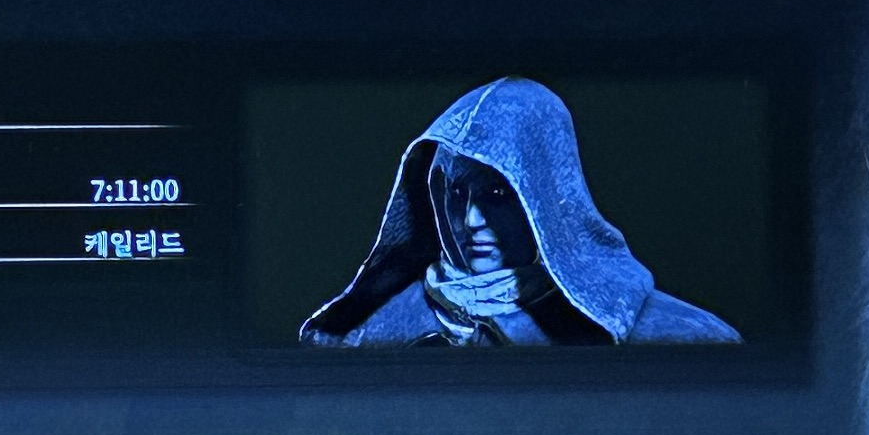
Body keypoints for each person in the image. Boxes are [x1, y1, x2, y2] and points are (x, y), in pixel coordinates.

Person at [300, 78, 738, 348]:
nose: (471, 221)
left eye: (496, 193)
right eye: (456, 192)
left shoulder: (682, 340)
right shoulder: (364, 339)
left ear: (546, 194)